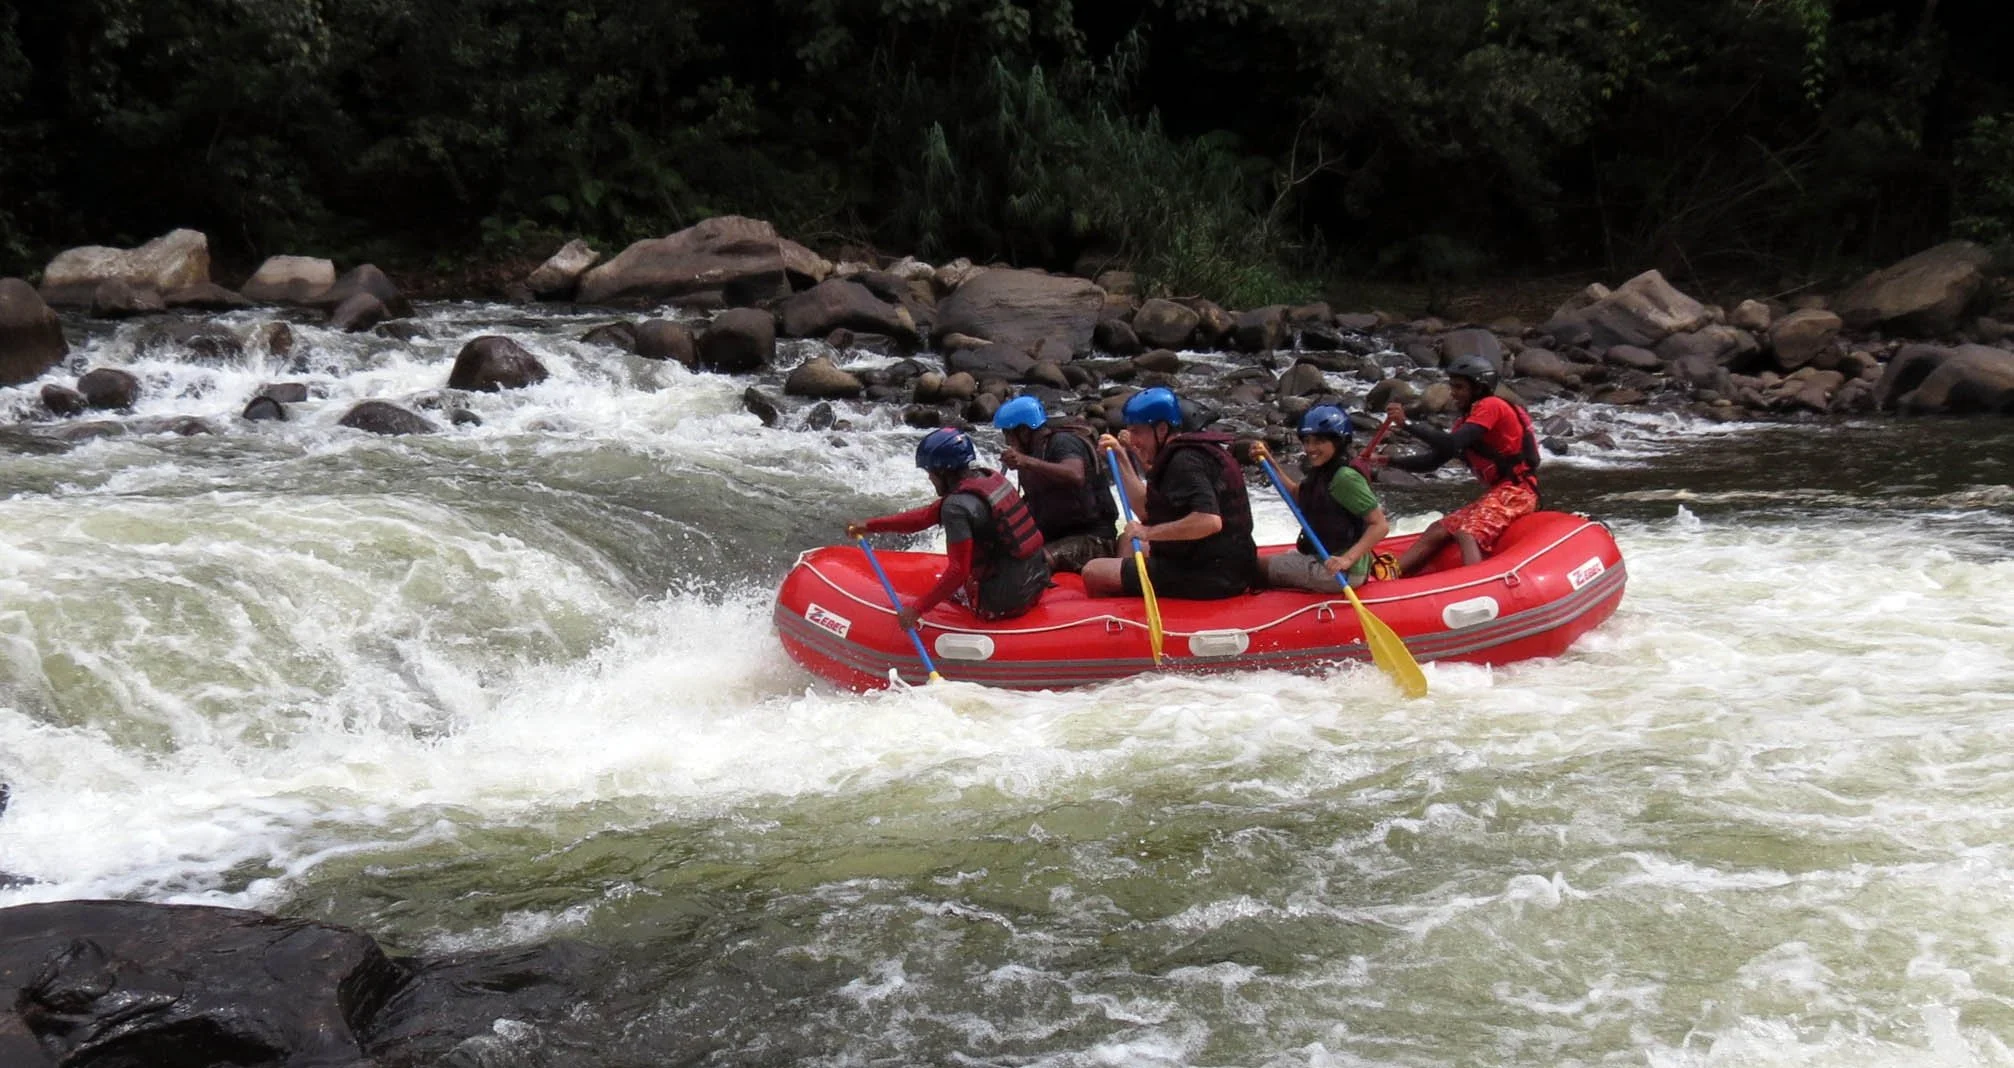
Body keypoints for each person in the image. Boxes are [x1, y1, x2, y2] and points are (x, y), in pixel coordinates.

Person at [846, 428, 1051, 627]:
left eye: (930, 472)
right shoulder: (989, 478)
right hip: (1036, 583)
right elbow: (923, 517)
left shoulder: (956, 508)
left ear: (943, 471)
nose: (929, 478)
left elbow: (958, 571)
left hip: (1005, 601)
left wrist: (917, 609)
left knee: (956, 589)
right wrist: (871, 525)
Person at [1082, 387, 1259, 600]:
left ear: (1162, 429)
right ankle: (1133, 599)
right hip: (1210, 560)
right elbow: (1146, 511)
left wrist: (1148, 533)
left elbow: (1209, 522)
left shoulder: (1185, 461)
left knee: (1093, 572)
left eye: (1138, 431)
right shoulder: (1180, 454)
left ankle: (1130, 613)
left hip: (1213, 575)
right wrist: (1121, 459)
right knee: (1127, 541)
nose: (1133, 440)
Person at [1382, 353, 1542, 573]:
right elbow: (1432, 462)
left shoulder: (1491, 405)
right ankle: (1391, 579)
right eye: (1452, 386)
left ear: (1478, 388)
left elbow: (1452, 443)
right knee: (1437, 529)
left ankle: (1475, 585)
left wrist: (1406, 424)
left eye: (1459, 387)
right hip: (1499, 492)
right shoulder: (1464, 424)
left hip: (1517, 492)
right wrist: (1387, 461)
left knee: (1467, 533)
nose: (1453, 393)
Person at [1253, 405, 1392, 590]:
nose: (1310, 448)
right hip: (1323, 557)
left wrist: (1346, 559)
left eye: (1319, 441)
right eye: (1307, 441)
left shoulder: (1345, 477)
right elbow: (1296, 495)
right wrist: (1268, 461)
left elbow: (1380, 525)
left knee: (1256, 568)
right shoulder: (1324, 470)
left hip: (1342, 571)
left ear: (1338, 441)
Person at [993, 396, 1118, 573]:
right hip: (1056, 536)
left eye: (1008, 434)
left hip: (1093, 538)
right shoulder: (1033, 454)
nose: (1007, 442)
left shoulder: (1062, 442)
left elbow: (1075, 474)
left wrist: (1026, 462)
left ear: (1024, 431)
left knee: (1038, 562)